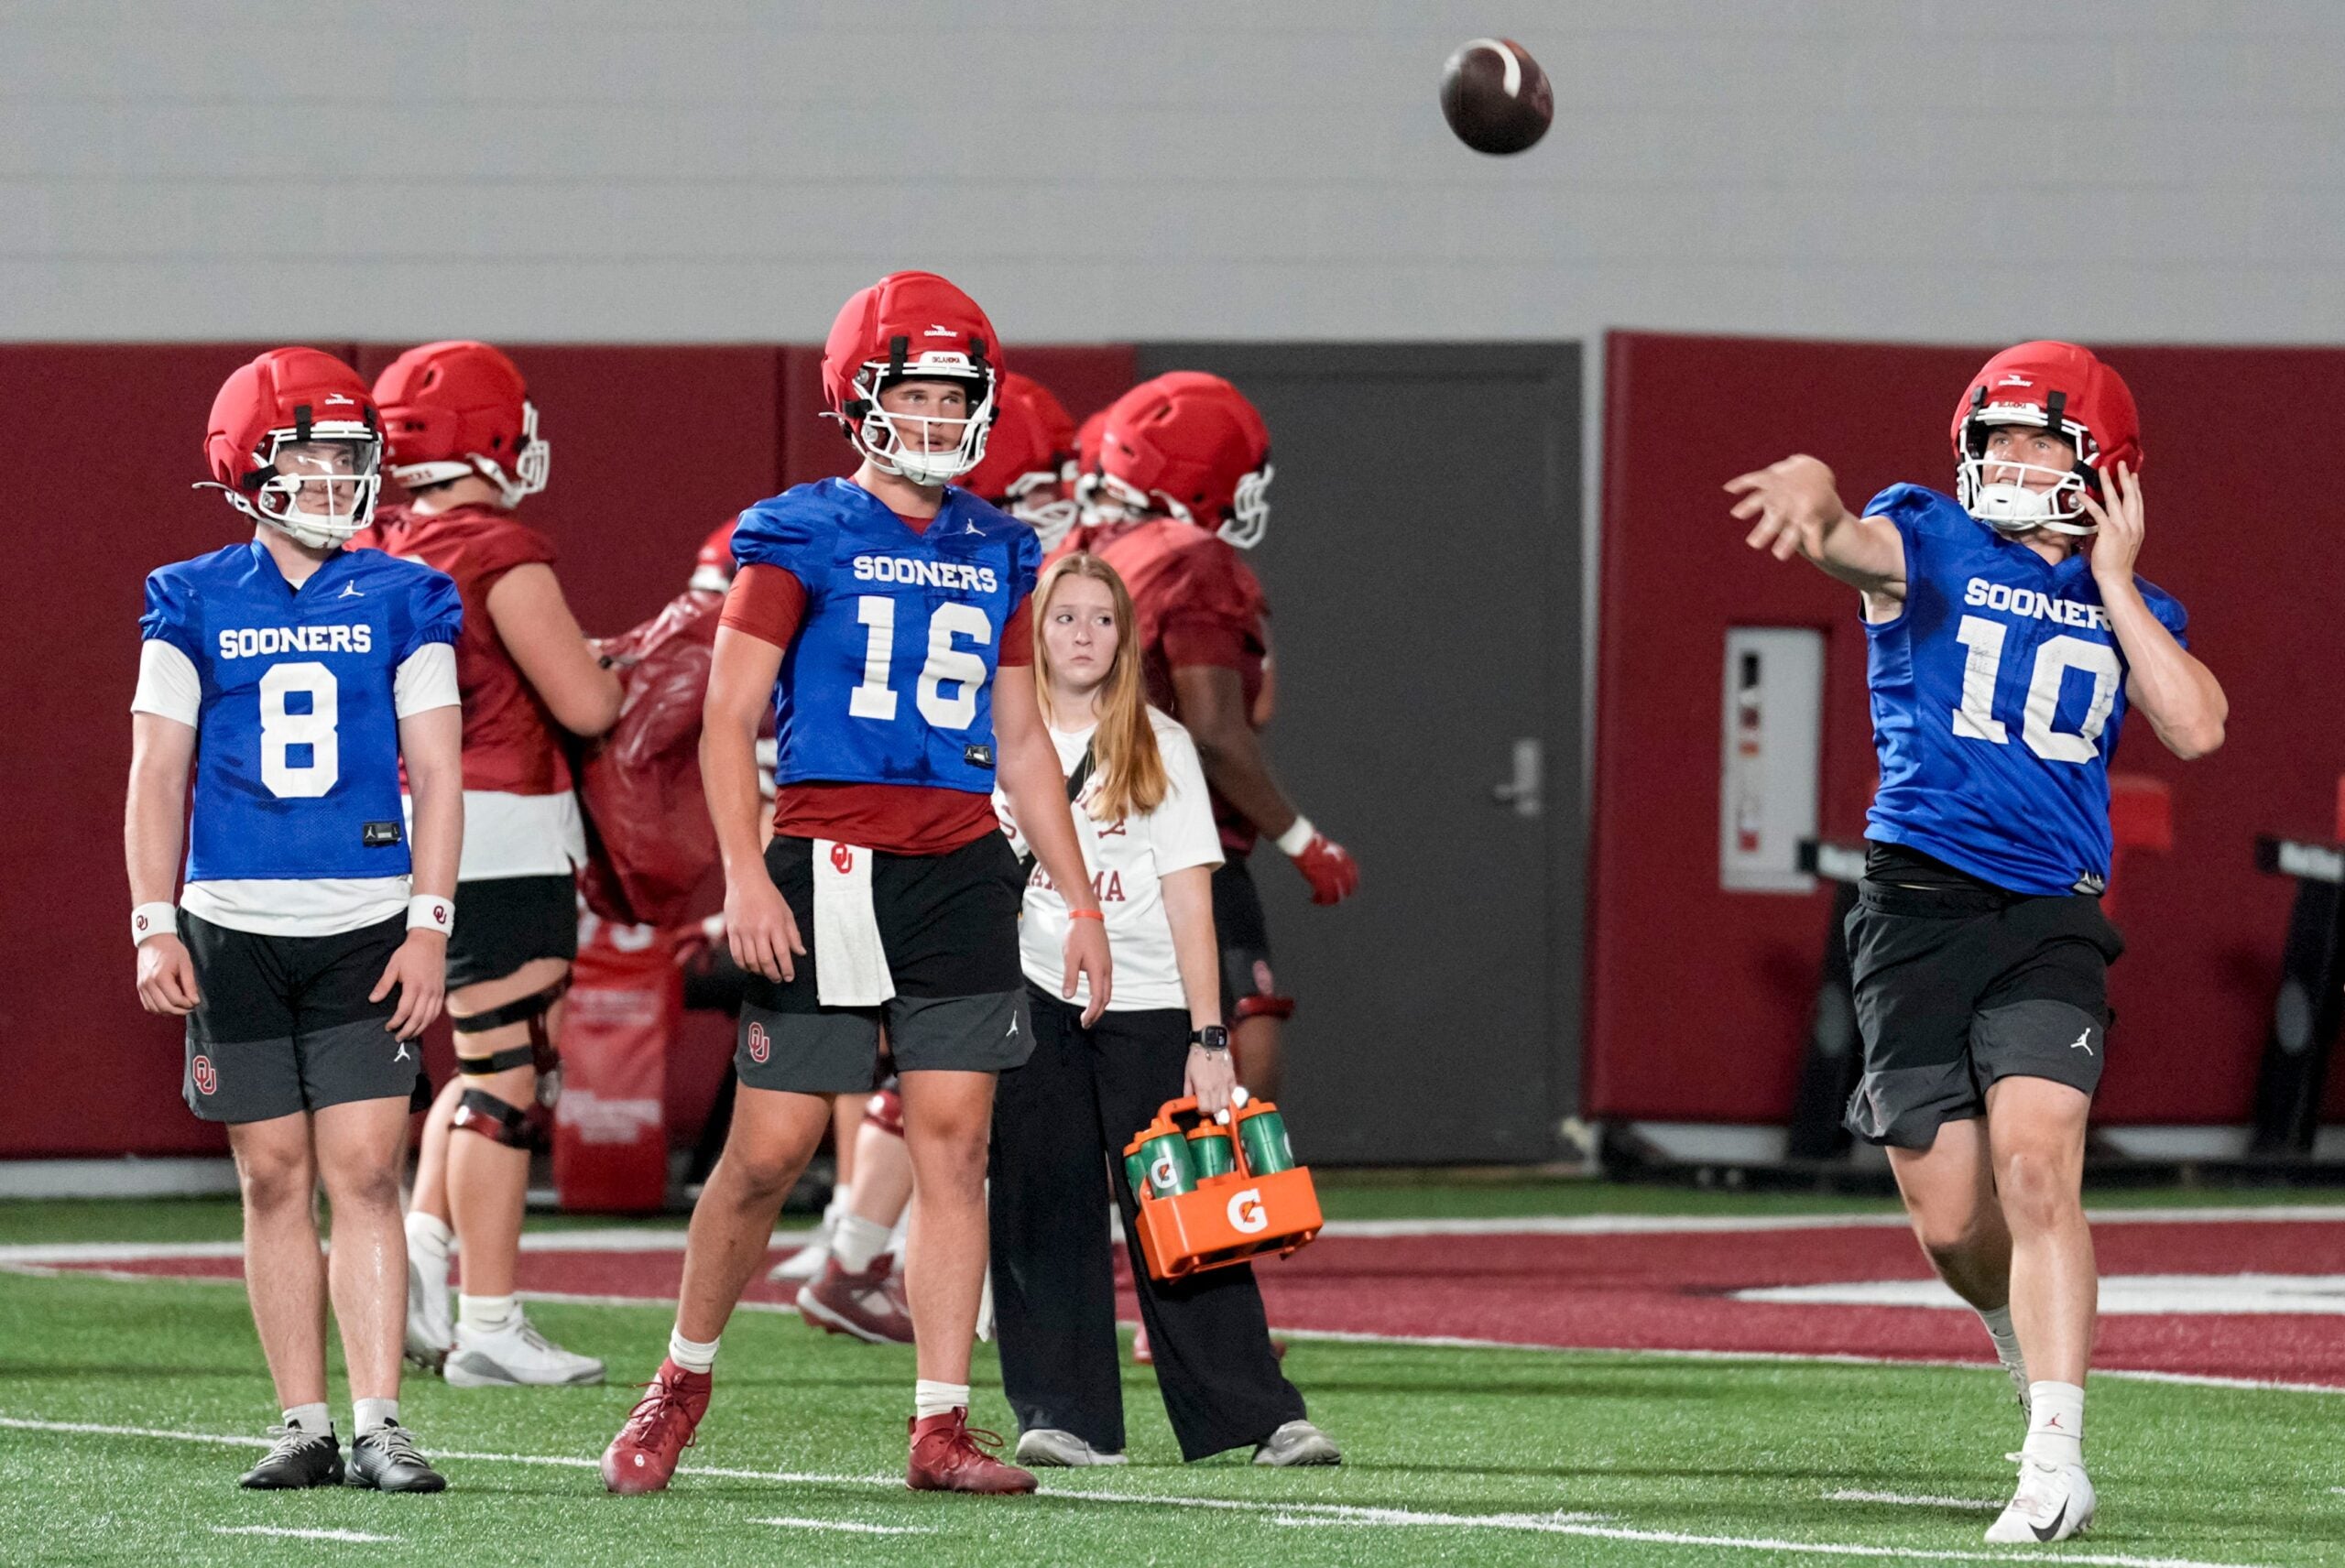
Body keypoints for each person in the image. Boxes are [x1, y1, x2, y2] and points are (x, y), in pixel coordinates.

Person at [599, 270, 1111, 1498]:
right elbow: (727, 721)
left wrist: (1082, 900)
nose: (939, 418)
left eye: (956, 395)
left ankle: (940, 1425)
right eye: (917, 392)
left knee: (955, 1144)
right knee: (771, 1149)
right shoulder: (795, 528)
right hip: (823, 859)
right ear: (861, 398)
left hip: (957, 867)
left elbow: (1027, 740)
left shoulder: (999, 544)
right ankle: (680, 1379)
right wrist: (744, 877)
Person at [1727, 341, 2227, 1545]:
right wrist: (1808, 482)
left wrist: (2115, 578)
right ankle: (2017, 1333)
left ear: (2100, 463)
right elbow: (1849, 534)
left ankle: (2056, 1455)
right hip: (1914, 907)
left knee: (2038, 1164)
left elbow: (2199, 725)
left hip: (2052, 910)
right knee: (1954, 1225)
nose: (2004, 458)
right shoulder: (1932, 538)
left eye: (2035, 438)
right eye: (1993, 435)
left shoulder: (2134, 607)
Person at [127, 347, 461, 1492]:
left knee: (366, 1170)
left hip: (368, 917)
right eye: (308, 459)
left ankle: (380, 1420)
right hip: (231, 921)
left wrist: (430, 921)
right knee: (272, 1174)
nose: (334, 481)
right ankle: (303, 1420)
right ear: (248, 468)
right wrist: (150, 920)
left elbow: (439, 772)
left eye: (347, 458)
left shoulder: (408, 592)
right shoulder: (189, 595)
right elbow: (155, 773)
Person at [990, 552, 1337, 1469]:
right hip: (1030, 998)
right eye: (1063, 617)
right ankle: (1063, 1415)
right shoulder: (990, 738)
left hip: (1146, 1002)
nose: (1082, 635)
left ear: (1126, 636)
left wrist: (1208, 1034)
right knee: (1040, 1209)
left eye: (1101, 619)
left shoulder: (1160, 742)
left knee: (1186, 1214)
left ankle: (1259, 1416)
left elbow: (1192, 895)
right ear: (1035, 631)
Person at [357, 341, 620, 1388]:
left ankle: (424, 1262)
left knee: (474, 1065)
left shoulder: (374, 540)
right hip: (502, 830)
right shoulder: (492, 547)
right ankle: (491, 1322)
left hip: (410, 830)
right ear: (491, 431)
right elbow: (586, 704)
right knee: (507, 1078)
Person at [1092, 373, 1358, 1104]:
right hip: (1176, 847)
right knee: (1243, 1047)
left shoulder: (1089, 548)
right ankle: (1222, 1210)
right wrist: (1305, 841)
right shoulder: (1192, 562)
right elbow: (1214, 732)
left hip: (1079, 848)